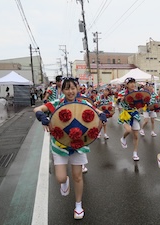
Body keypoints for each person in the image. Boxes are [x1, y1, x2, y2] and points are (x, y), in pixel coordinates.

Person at [33, 77, 106, 219]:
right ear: (62, 89)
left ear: (77, 89)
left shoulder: (84, 103)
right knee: (60, 177)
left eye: (73, 88)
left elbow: (98, 111)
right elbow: (37, 108)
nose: (70, 91)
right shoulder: (57, 103)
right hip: (60, 145)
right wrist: (42, 116)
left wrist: (102, 115)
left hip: (79, 146)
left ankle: (78, 204)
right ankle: (64, 182)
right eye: (67, 88)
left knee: (78, 176)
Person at [118, 77, 142, 161]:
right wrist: (121, 99)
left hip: (134, 114)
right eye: (130, 83)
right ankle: (123, 138)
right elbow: (117, 101)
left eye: (134, 82)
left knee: (136, 135)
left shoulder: (137, 93)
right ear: (126, 85)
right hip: (126, 114)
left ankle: (135, 153)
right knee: (128, 130)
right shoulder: (122, 93)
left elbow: (140, 102)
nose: (133, 84)